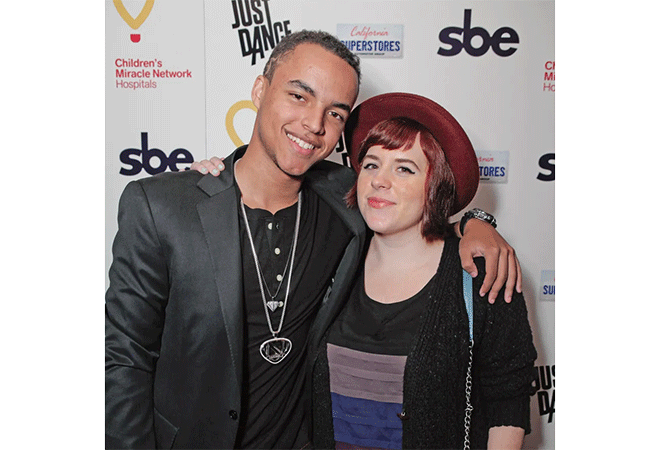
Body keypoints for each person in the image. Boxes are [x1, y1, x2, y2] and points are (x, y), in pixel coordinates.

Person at [106, 30, 521, 449]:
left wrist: (477, 223)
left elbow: (412, 210)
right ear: (259, 89)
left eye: (335, 113)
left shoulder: (343, 203)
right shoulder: (164, 207)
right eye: (299, 96)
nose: (314, 124)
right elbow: (124, 358)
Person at [309, 93, 537, 450]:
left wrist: (475, 222)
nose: (380, 180)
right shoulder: (333, 254)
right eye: (371, 164)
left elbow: (507, 400)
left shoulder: (481, 274)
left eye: (404, 169)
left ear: (436, 186)